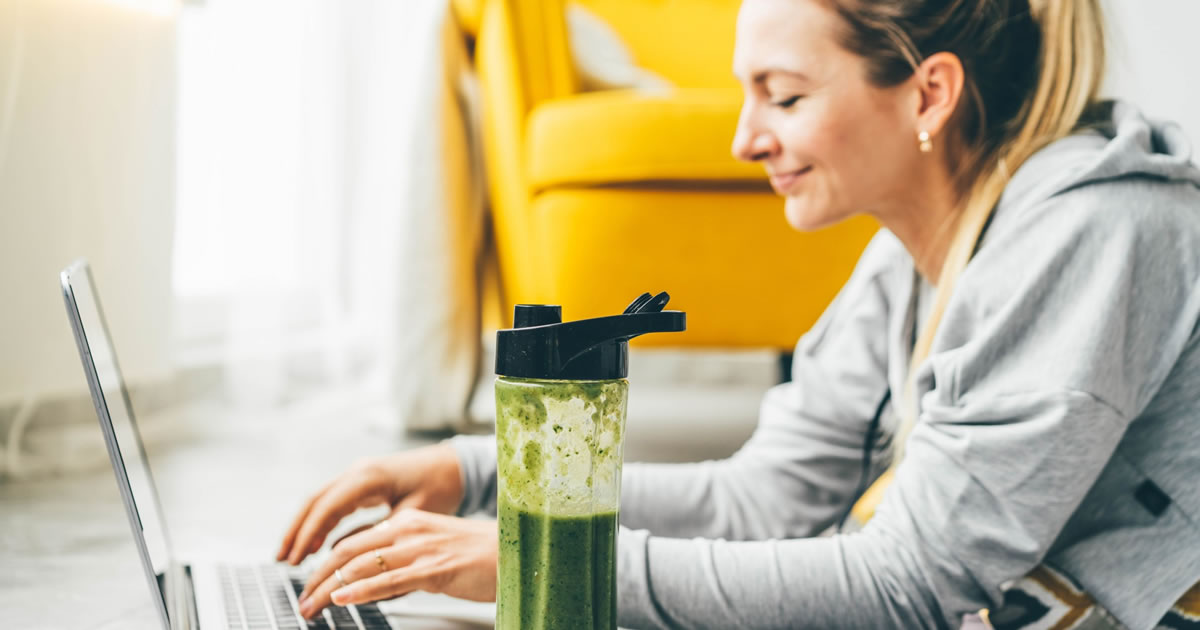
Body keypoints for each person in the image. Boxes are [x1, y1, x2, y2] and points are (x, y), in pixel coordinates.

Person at [275, 0, 1200, 627]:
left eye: (784, 96)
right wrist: (471, 475)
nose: (744, 139)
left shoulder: (1098, 230)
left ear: (930, 94)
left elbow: (912, 581)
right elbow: (761, 501)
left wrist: (544, 558)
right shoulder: (912, 254)